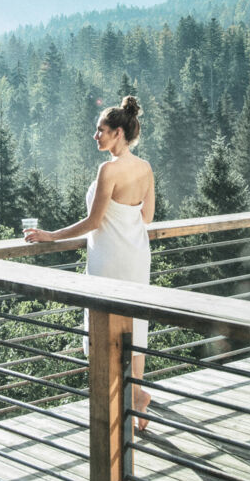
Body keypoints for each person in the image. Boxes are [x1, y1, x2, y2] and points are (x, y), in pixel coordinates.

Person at [23, 95, 154, 430]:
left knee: (105, 327)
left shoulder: (108, 169)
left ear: (119, 133)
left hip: (109, 257)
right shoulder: (145, 168)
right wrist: (123, 219)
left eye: (101, 130)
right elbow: (148, 217)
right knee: (135, 322)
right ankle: (137, 395)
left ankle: (112, 402)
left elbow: (93, 221)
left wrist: (50, 236)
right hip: (137, 254)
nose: (95, 136)